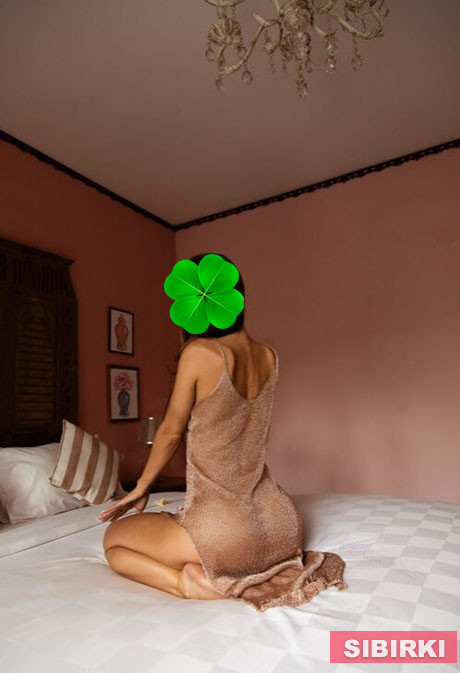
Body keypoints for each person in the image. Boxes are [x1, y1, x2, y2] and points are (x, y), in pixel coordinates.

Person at [100, 253, 348, 611]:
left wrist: (141, 488)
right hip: (281, 526)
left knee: (113, 541)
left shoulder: (200, 352)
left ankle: (185, 584)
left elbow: (169, 432)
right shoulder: (268, 355)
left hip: (227, 533)